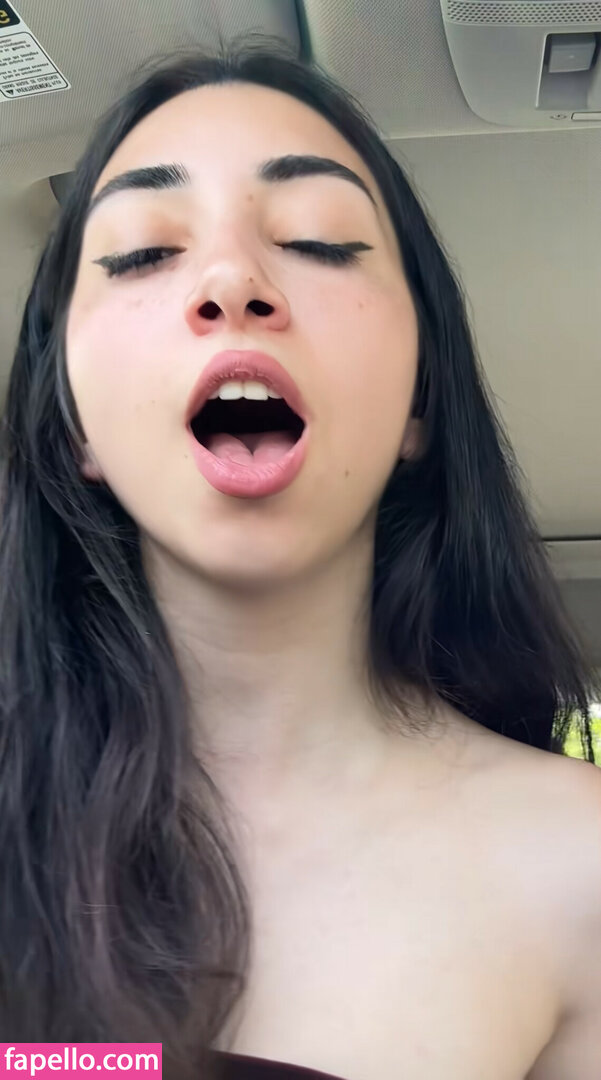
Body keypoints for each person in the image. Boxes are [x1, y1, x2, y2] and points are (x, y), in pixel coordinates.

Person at [0, 33, 599, 1080]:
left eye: (319, 240)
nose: (231, 280)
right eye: (140, 253)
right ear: (73, 424)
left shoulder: (578, 863)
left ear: (418, 399)